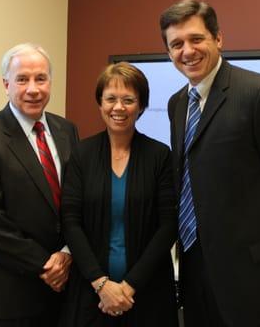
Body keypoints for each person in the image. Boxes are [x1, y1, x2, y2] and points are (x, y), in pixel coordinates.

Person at [160, 0, 260, 327]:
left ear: (218, 38)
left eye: (196, 39)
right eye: (176, 44)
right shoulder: (177, 104)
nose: (187, 51)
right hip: (193, 265)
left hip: (250, 274)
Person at [0, 43, 79, 327]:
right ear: (6, 84)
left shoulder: (67, 130)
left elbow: (77, 200)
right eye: (22, 79)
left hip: (64, 291)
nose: (33, 88)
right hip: (8, 296)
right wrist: (45, 266)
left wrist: (66, 254)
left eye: (41, 78)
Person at [60, 63, 178, 326]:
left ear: (141, 105)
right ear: (100, 103)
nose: (118, 107)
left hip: (146, 291)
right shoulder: (82, 154)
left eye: (128, 100)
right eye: (110, 98)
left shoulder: (159, 156)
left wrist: (128, 286)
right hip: (91, 292)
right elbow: (70, 221)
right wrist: (102, 285)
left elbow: (168, 226)